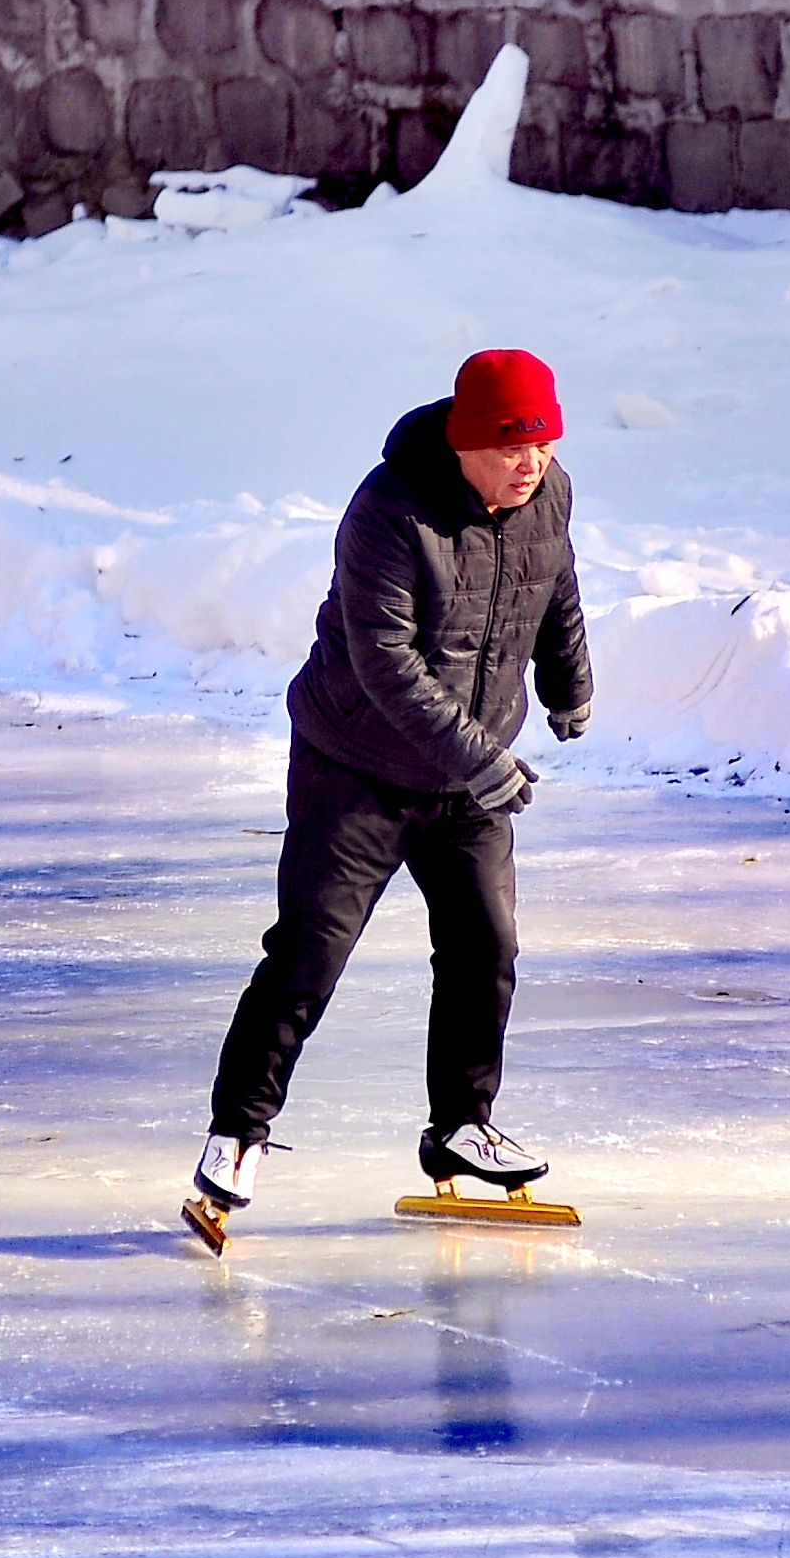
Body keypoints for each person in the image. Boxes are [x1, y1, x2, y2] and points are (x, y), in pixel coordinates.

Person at [185, 349, 592, 1252]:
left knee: (486, 945)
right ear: (465, 444)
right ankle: (237, 1136)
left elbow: (553, 584)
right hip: (355, 767)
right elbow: (384, 662)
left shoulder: (549, 493)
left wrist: (569, 682)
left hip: (466, 774)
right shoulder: (387, 512)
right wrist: (482, 755)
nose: (532, 462)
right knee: (308, 955)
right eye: (512, 445)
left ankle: (460, 1123)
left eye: (543, 440)